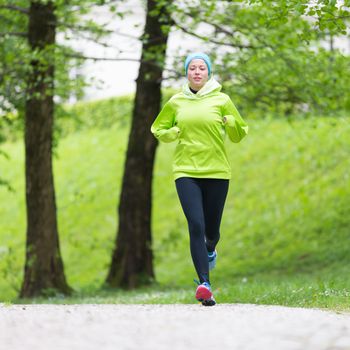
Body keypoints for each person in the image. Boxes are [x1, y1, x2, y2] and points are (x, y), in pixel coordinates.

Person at [151, 52, 248, 306]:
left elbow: (240, 133)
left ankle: (211, 249)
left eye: (201, 68)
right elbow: (158, 128)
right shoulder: (176, 102)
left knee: (212, 231)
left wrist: (230, 123)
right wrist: (172, 133)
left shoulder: (222, 100)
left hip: (217, 171)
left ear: (208, 73)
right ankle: (205, 284)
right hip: (186, 172)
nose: (196, 72)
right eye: (192, 68)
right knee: (196, 224)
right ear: (186, 73)